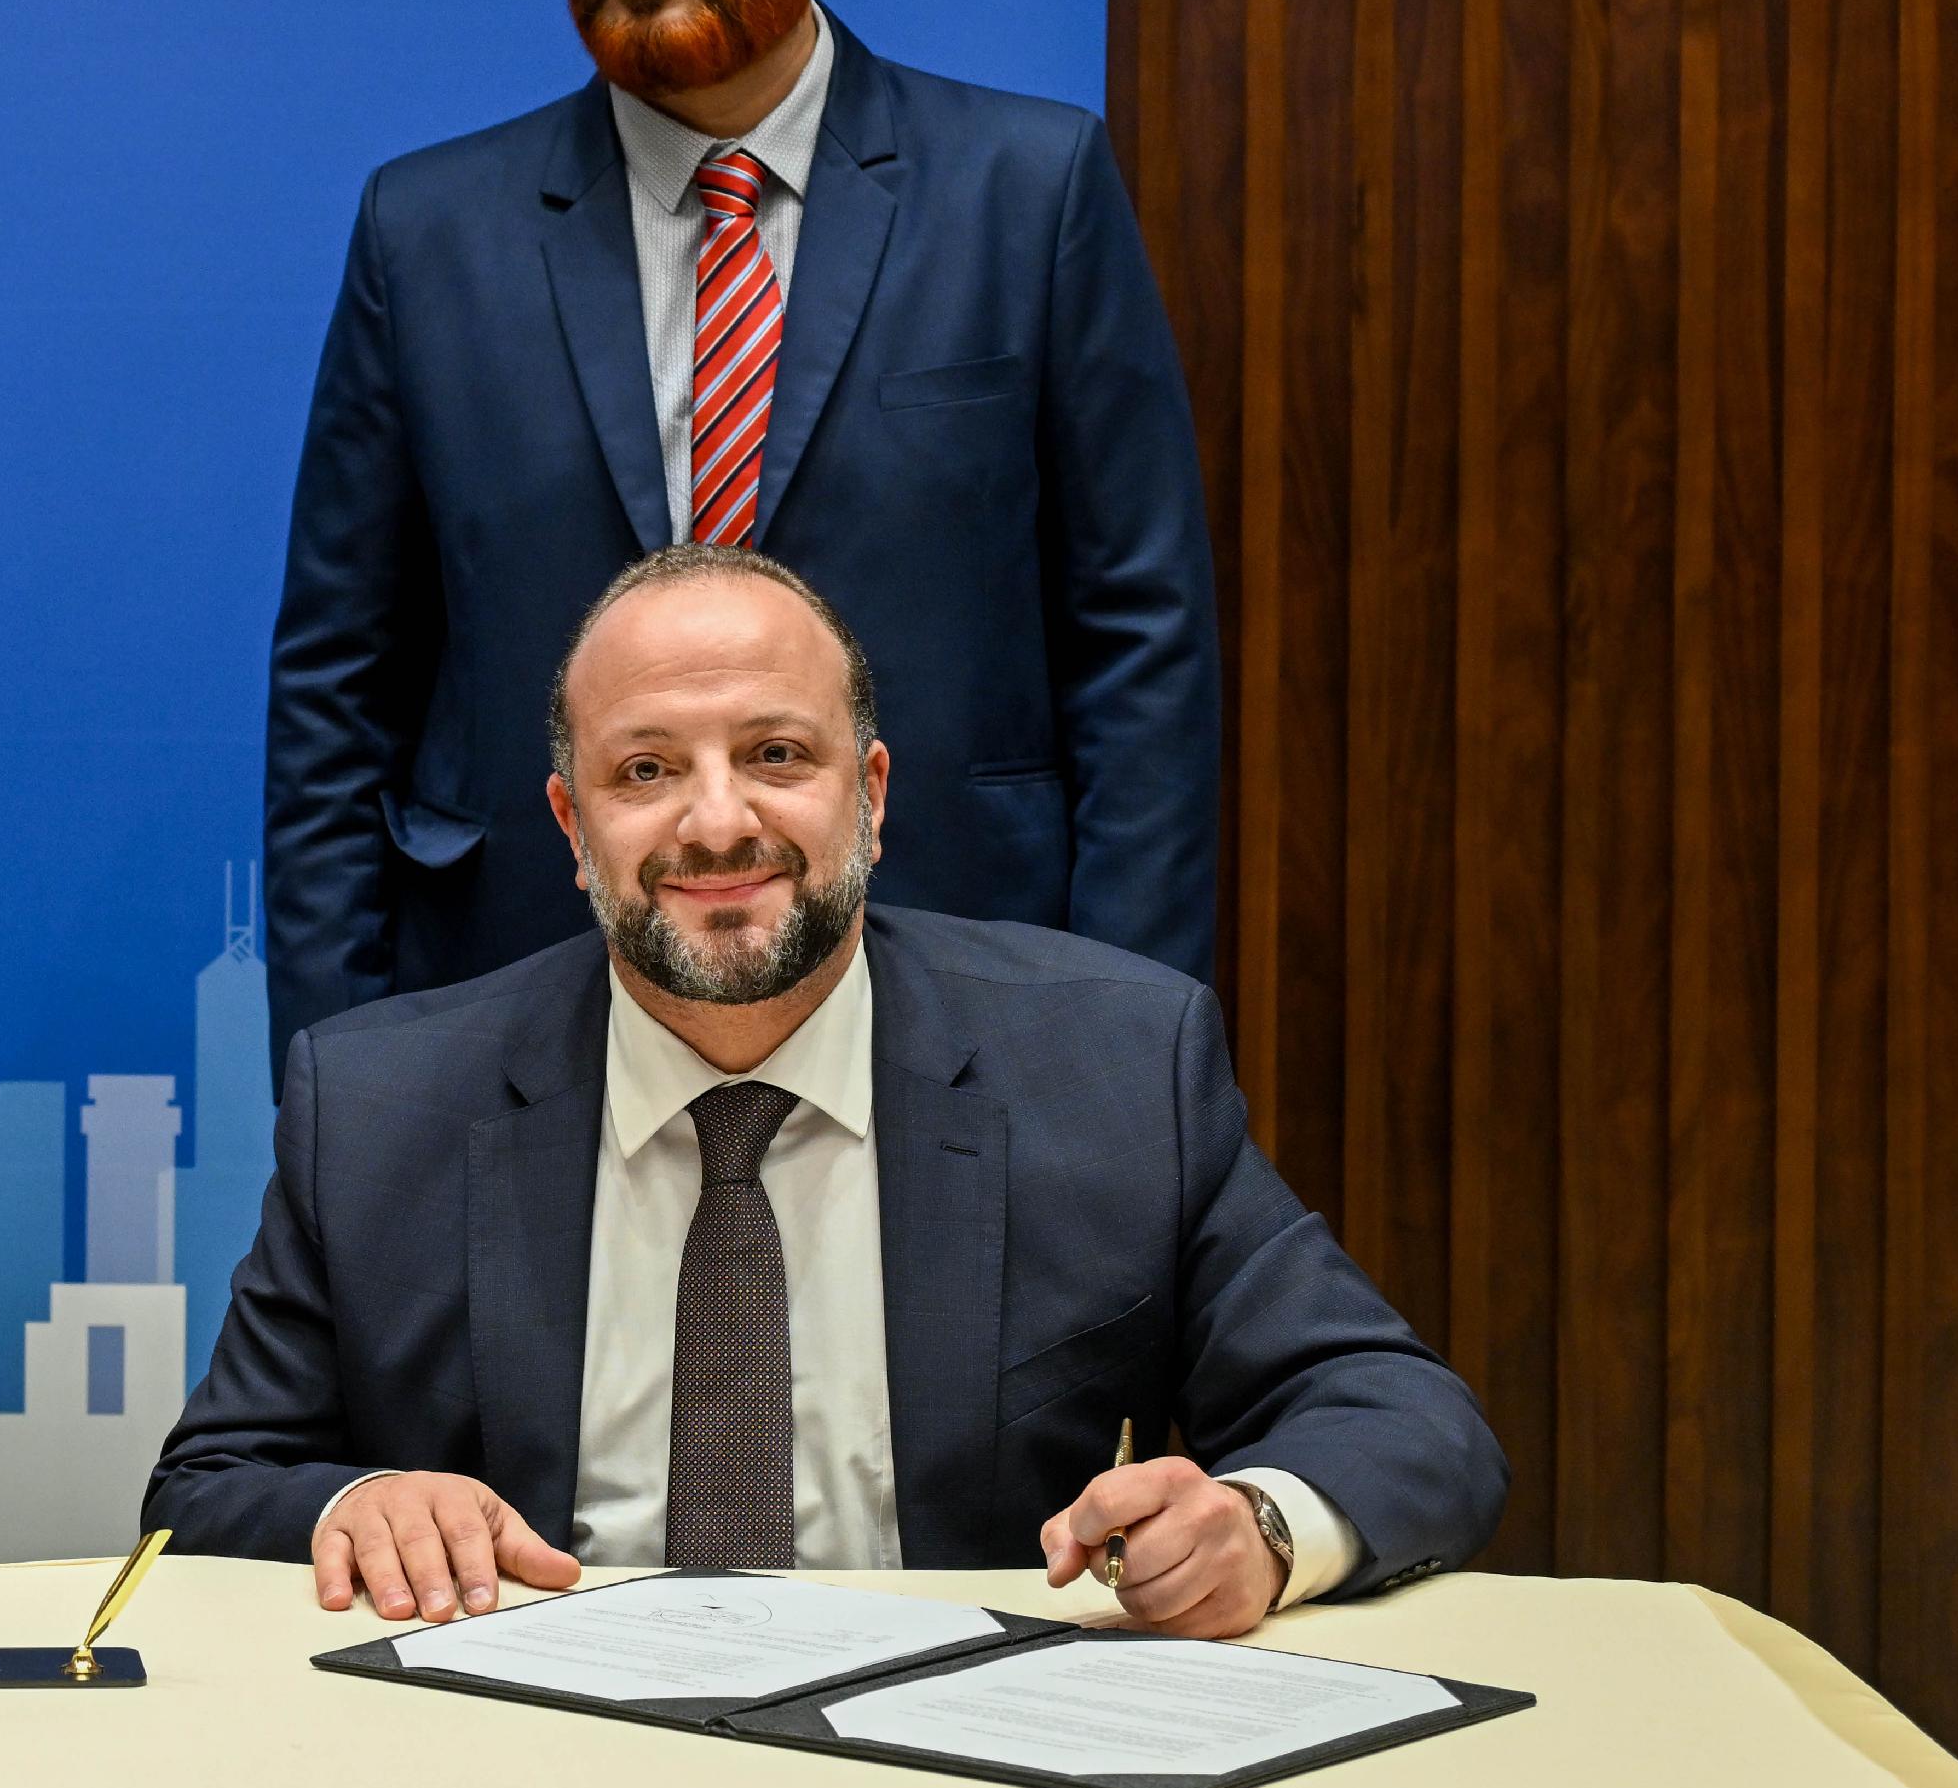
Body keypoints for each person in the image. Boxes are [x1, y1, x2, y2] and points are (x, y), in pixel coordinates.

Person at [153, 545, 1503, 1639]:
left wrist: (1259, 1529)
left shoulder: (1112, 1065)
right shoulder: (379, 1101)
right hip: (524, 1757)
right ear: (571, 825)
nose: (717, 822)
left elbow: (1403, 1416)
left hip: (965, 1757)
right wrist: (361, 1501)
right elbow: (210, 1484)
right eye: (645, 769)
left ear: (871, 793)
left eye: (777, 755)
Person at [264, 0, 1220, 1063]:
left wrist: (1126, 1054)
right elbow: (335, 700)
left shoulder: (1027, 193)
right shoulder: (430, 232)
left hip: (958, 984)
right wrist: (336, 1087)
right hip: (522, 998)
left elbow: (1141, 657)